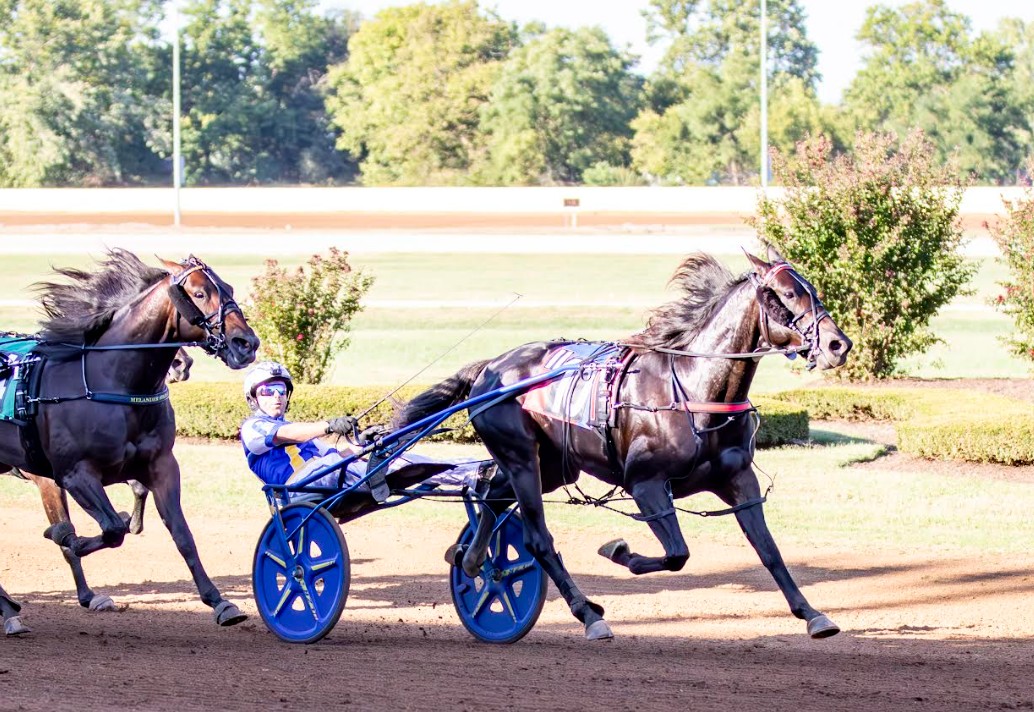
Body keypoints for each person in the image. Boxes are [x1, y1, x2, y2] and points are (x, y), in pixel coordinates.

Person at [239, 361, 495, 505]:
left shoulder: (304, 438)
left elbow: (338, 454)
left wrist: (366, 444)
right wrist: (329, 425)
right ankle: (473, 473)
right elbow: (287, 433)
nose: (276, 396)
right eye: (268, 391)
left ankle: (474, 470)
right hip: (297, 487)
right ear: (253, 398)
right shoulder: (253, 427)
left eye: (281, 390)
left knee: (388, 456)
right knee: (386, 464)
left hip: (324, 475)